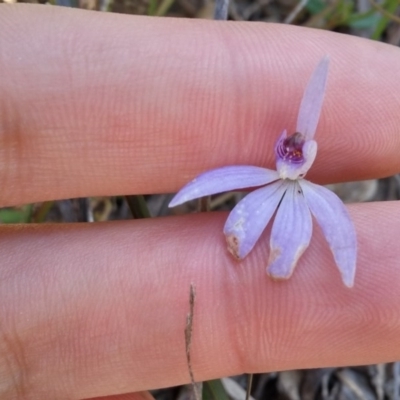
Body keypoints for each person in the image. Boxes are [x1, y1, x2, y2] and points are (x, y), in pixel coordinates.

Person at [0, 4, 399, 400]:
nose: (292, 149)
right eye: (289, 146)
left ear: (307, 153)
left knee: (282, 256)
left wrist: (347, 273)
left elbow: (341, 236)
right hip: (266, 191)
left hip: (279, 196)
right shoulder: (263, 174)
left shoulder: (320, 199)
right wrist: (186, 195)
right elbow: (201, 186)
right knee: (242, 245)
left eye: (298, 147)